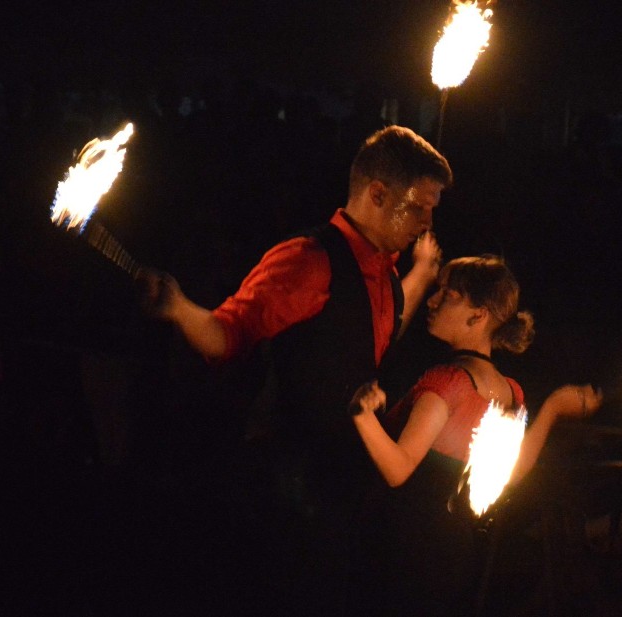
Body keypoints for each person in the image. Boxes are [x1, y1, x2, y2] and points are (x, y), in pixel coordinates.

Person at [138, 125, 453, 615]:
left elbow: (370, 331)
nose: (428, 220)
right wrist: (179, 308)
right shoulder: (309, 260)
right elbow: (228, 335)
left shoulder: (385, 268)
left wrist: (419, 275)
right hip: (291, 489)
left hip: (342, 488)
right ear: (376, 193)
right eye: (419, 206)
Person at [348, 255, 602, 616]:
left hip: (404, 546)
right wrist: (553, 410)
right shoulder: (510, 391)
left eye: (448, 295)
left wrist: (360, 413)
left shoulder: (448, 382)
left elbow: (398, 468)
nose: (433, 302)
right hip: (455, 550)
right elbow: (509, 475)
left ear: (478, 315)